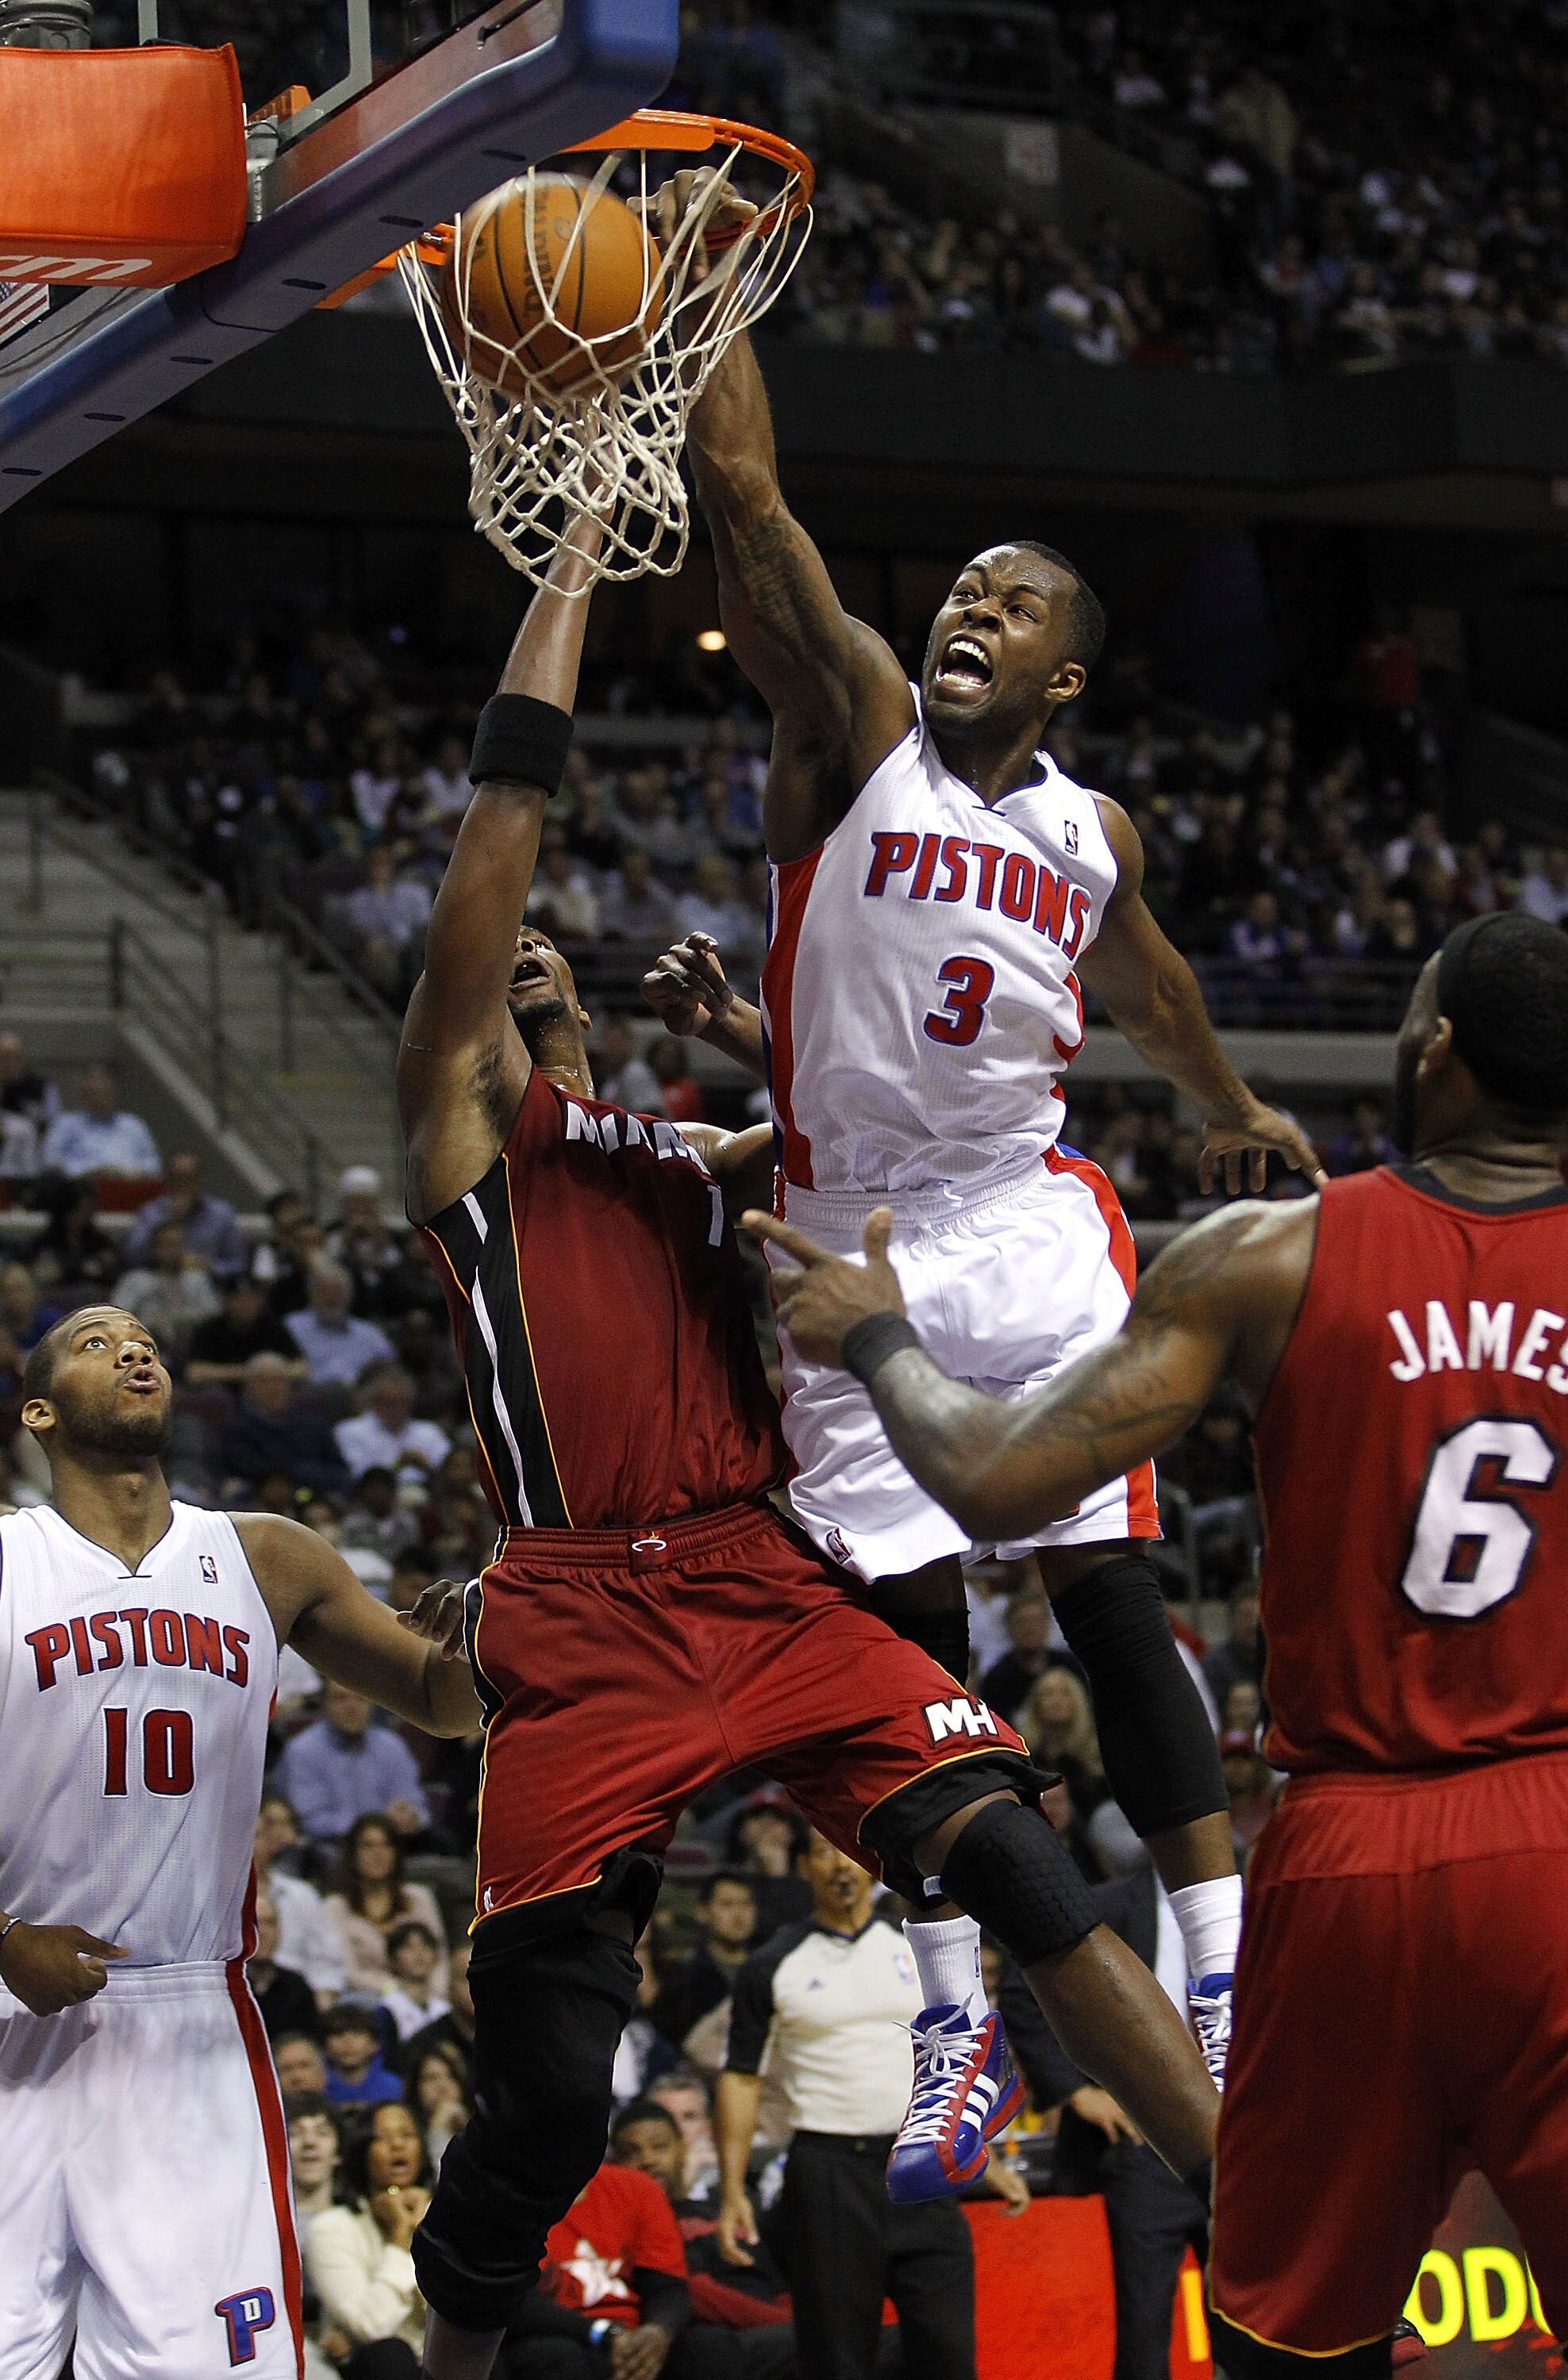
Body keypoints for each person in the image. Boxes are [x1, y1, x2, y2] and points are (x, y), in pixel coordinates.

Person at [391, 516, 1216, 2380]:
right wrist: (571, 574)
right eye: (490, 952)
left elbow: (880, 1133)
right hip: (585, 1607)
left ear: (582, 1002)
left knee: (1021, 1863)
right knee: (543, 2101)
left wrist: (770, 1031)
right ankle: (453, 2335)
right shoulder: (459, 1129)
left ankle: (1254, 2213)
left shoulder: (689, 1158)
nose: (514, 943)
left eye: (540, 954)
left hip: (763, 1565)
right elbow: (504, 820)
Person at [659, 202, 1324, 2093]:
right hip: (850, 1232)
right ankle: (952, 1996)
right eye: (962, 587)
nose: (971, 608)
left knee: (1107, 1578)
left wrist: (1225, 1107)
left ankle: (1214, 1955)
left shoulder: (1090, 831)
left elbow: (1155, 991)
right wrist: (703, 292)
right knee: (903, 1631)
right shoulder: (855, 727)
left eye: (1014, 603)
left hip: (1021, 1220)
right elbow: (749, 499)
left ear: (1065, 679)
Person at [748, 909, 1568, 2373]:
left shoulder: (1263, 1256)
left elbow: (995, 1481)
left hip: (1352, 1851)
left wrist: (875, 1335)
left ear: (1432, 1045)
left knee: (1286, 2334)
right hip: (1558, 1844)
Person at [0, 1301, 481, 2378]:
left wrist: (484, 1641)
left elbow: (443, 1703)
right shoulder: (5, 1558)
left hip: (186, 2018)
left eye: (145, 1342)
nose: (132, 1349)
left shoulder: (266, 1558)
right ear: (38, 1412)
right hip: (9, 2003)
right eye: (93, 1342)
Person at [717, 1829, 1009, 2380]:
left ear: (871, 1866)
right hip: (828, 2172)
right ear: (804, 1867)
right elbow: (740, 2078)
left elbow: (966, 2049)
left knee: (948, 2350)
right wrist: (732, 2190)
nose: (840, 1867)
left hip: (919, 2162)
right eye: (824, 1854)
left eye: (850, 1854)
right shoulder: (774, 1963)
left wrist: (985, 2148)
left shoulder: (914, 1948)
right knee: (838, 2355)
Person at [998, 1783, 1206, 2380]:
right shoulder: (1107, 1907)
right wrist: (1071, 2089)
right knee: (1144, 2328)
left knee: (1255, 2323)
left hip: (1242, 2142)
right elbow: (1022, 1988)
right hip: (1144, 2149)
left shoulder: (1248, 1903)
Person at [610, 2098, 794, 2378]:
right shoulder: (632, 2226)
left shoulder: (725, 2208)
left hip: (776, 2326)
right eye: (631, 2152)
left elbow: (778, 2279)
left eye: (659, 2147)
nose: (647, 2160)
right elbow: (694, 2294)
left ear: (682, 2149)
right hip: (720, 2338)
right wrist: (796, 2328)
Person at [502, 2144, 692, 2379]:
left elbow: (667, 2287)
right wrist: (603, 2333)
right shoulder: (502, 2202)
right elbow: (509, 2303)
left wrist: (658, 2331)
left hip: (635, 2334)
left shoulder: (635, 2187)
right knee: (555, 2356)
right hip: (558, 2335)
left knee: (712, 2348)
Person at [302, 2099, 431, 2376]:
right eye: (382, 2138)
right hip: (375, 2367)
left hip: (442, 2358)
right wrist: (401, 2237)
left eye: (407, 2135)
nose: (398, 2146)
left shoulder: (441, 2215)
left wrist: (423, 2227)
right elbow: (369, 2327)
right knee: (390, 2354)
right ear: (361, 2152)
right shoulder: (331, 2229)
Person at [320, 1810, 446, 1993]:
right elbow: (348, 1972)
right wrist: (398, 1992)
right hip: (368, 1999)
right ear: (353, 1855)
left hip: (427, 1995)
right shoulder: (335, 1907)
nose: (378, 1854)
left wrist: (435, 1998)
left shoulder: (419, 1897)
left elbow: (440, 1960)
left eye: (386, 1845)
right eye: (368, 1846)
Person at [256, 1789, 349, 1999]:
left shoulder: (302, 1895)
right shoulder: (211, 1899)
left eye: (258, 1836)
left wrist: (323, 1998)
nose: (250, 1845)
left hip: (297, 1998)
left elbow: (327, 1961)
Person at [222, 1348, 352, 1497]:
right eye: (265, 1382)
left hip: (320, 1499)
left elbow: (340, 1471)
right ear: (249, 1387)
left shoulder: (313, 1425)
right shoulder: (237, 1429)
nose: (274, 1389)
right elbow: (251, 1471)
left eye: (280, 1381)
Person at [653, 1873, 759, 2048]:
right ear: (702, 1913)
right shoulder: (683, 1978)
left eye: (746, 1904)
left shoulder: (771, 1971)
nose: (739, 1915)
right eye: (727, 1905)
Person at [122, 1146, 248, 1279]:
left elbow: (239, 1263)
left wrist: (211, 1266)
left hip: (209, 1286)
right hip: (160, 1284)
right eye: (177, 1178)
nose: (183, 1185)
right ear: (167, 1179)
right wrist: (168, 1218)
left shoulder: (221, 1213)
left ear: (200, 1180)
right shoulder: (152, 1212)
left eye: (189, 1178)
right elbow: (132, 1256)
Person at [110, 1219, 222, 1352]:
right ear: (155, 1249)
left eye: (178, 1244)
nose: (174, 1250)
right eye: (168, 1245)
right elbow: (117, 1319)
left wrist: (180, 1320)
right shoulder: (136, 1280)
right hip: (143, 1346)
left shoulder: (197, 1279)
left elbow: (213, 1316)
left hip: (190, 1348)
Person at [287, 1261, 398, 1387]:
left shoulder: (370, 1335)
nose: (331, 1298)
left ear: (349, 1296)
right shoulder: (292, 1327)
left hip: (357, 1399)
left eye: (337, 1292)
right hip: (307, 1398)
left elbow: (391, 1368)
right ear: (312, 1295)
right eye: (324, 1292)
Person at [40, 1065, 162, 1177]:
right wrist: (89, 1172)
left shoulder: (133, 1124)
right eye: (94, 1093)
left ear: (114, 1092)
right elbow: (50, 1161)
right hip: (83, 1186)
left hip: (128, 1184)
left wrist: (135, 1172)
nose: (100, 1098)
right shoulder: (67, 1123)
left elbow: (153, 1164)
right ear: (83, 1096)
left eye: (105, 1092)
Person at [187, 1272, 306, 1384]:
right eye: (239, 1299)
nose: (246, 1304)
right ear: (226, 1301)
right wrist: (247, 1373)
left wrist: (268, 1374)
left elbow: (301, 1369)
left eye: (251, 1298)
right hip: (227, 1393)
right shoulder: (210, 1330)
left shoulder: (271, 1327)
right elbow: (194, 1373)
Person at [336, 1365, 452, 1480]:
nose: (395, 1410)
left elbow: (452, 1471)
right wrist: (397, 1465)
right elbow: (357, 1476)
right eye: (389, 1403)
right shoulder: (350, 1431)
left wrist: (426, 1467)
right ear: (374, 1402)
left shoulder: (429, 1432)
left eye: (402, 1403)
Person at [250, 1887, 323, 2042]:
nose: (263, 1932)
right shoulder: (224, 1987)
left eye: (270, 1923)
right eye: (255, 1922)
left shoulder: (296, 1986)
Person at [321, 2002, 407, 2112]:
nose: (348, 2042)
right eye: (338, 2033)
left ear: (374, 2044)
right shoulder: (317, 2085)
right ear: (325, 2046)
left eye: (357, 2033)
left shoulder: (394, 2087)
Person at [381, 1919, 451, 2043]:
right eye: (408, 1947)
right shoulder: (386, 2007)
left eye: (425, 1946)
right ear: (392, 1958)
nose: (419, 1953)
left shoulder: (444, 2008)